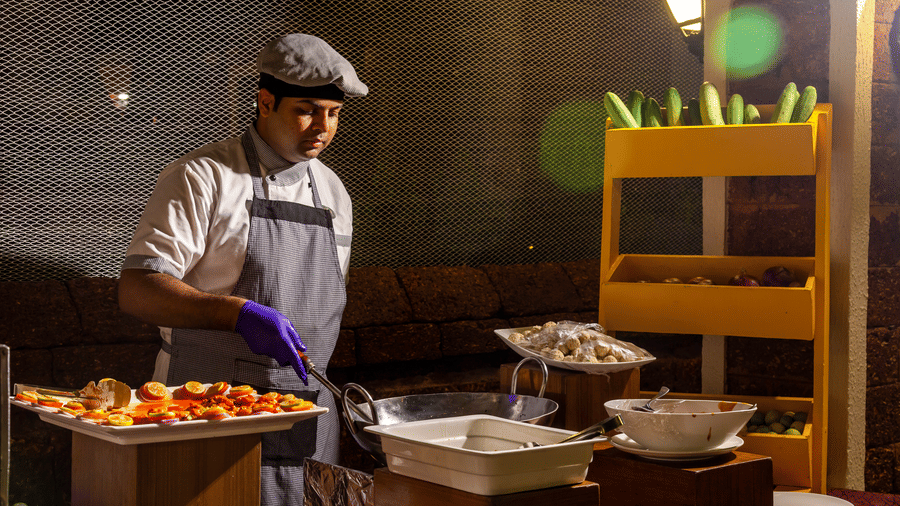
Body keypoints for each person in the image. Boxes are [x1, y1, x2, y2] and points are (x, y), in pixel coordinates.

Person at [118, 33, 367, 505]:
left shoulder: (334, 193)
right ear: (266, 101)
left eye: (334, 113)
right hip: (208, 415)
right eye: (307, 109)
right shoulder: (202, 176)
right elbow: (137, 290)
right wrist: (237, 313)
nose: (322, 127)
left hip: (308, 419)